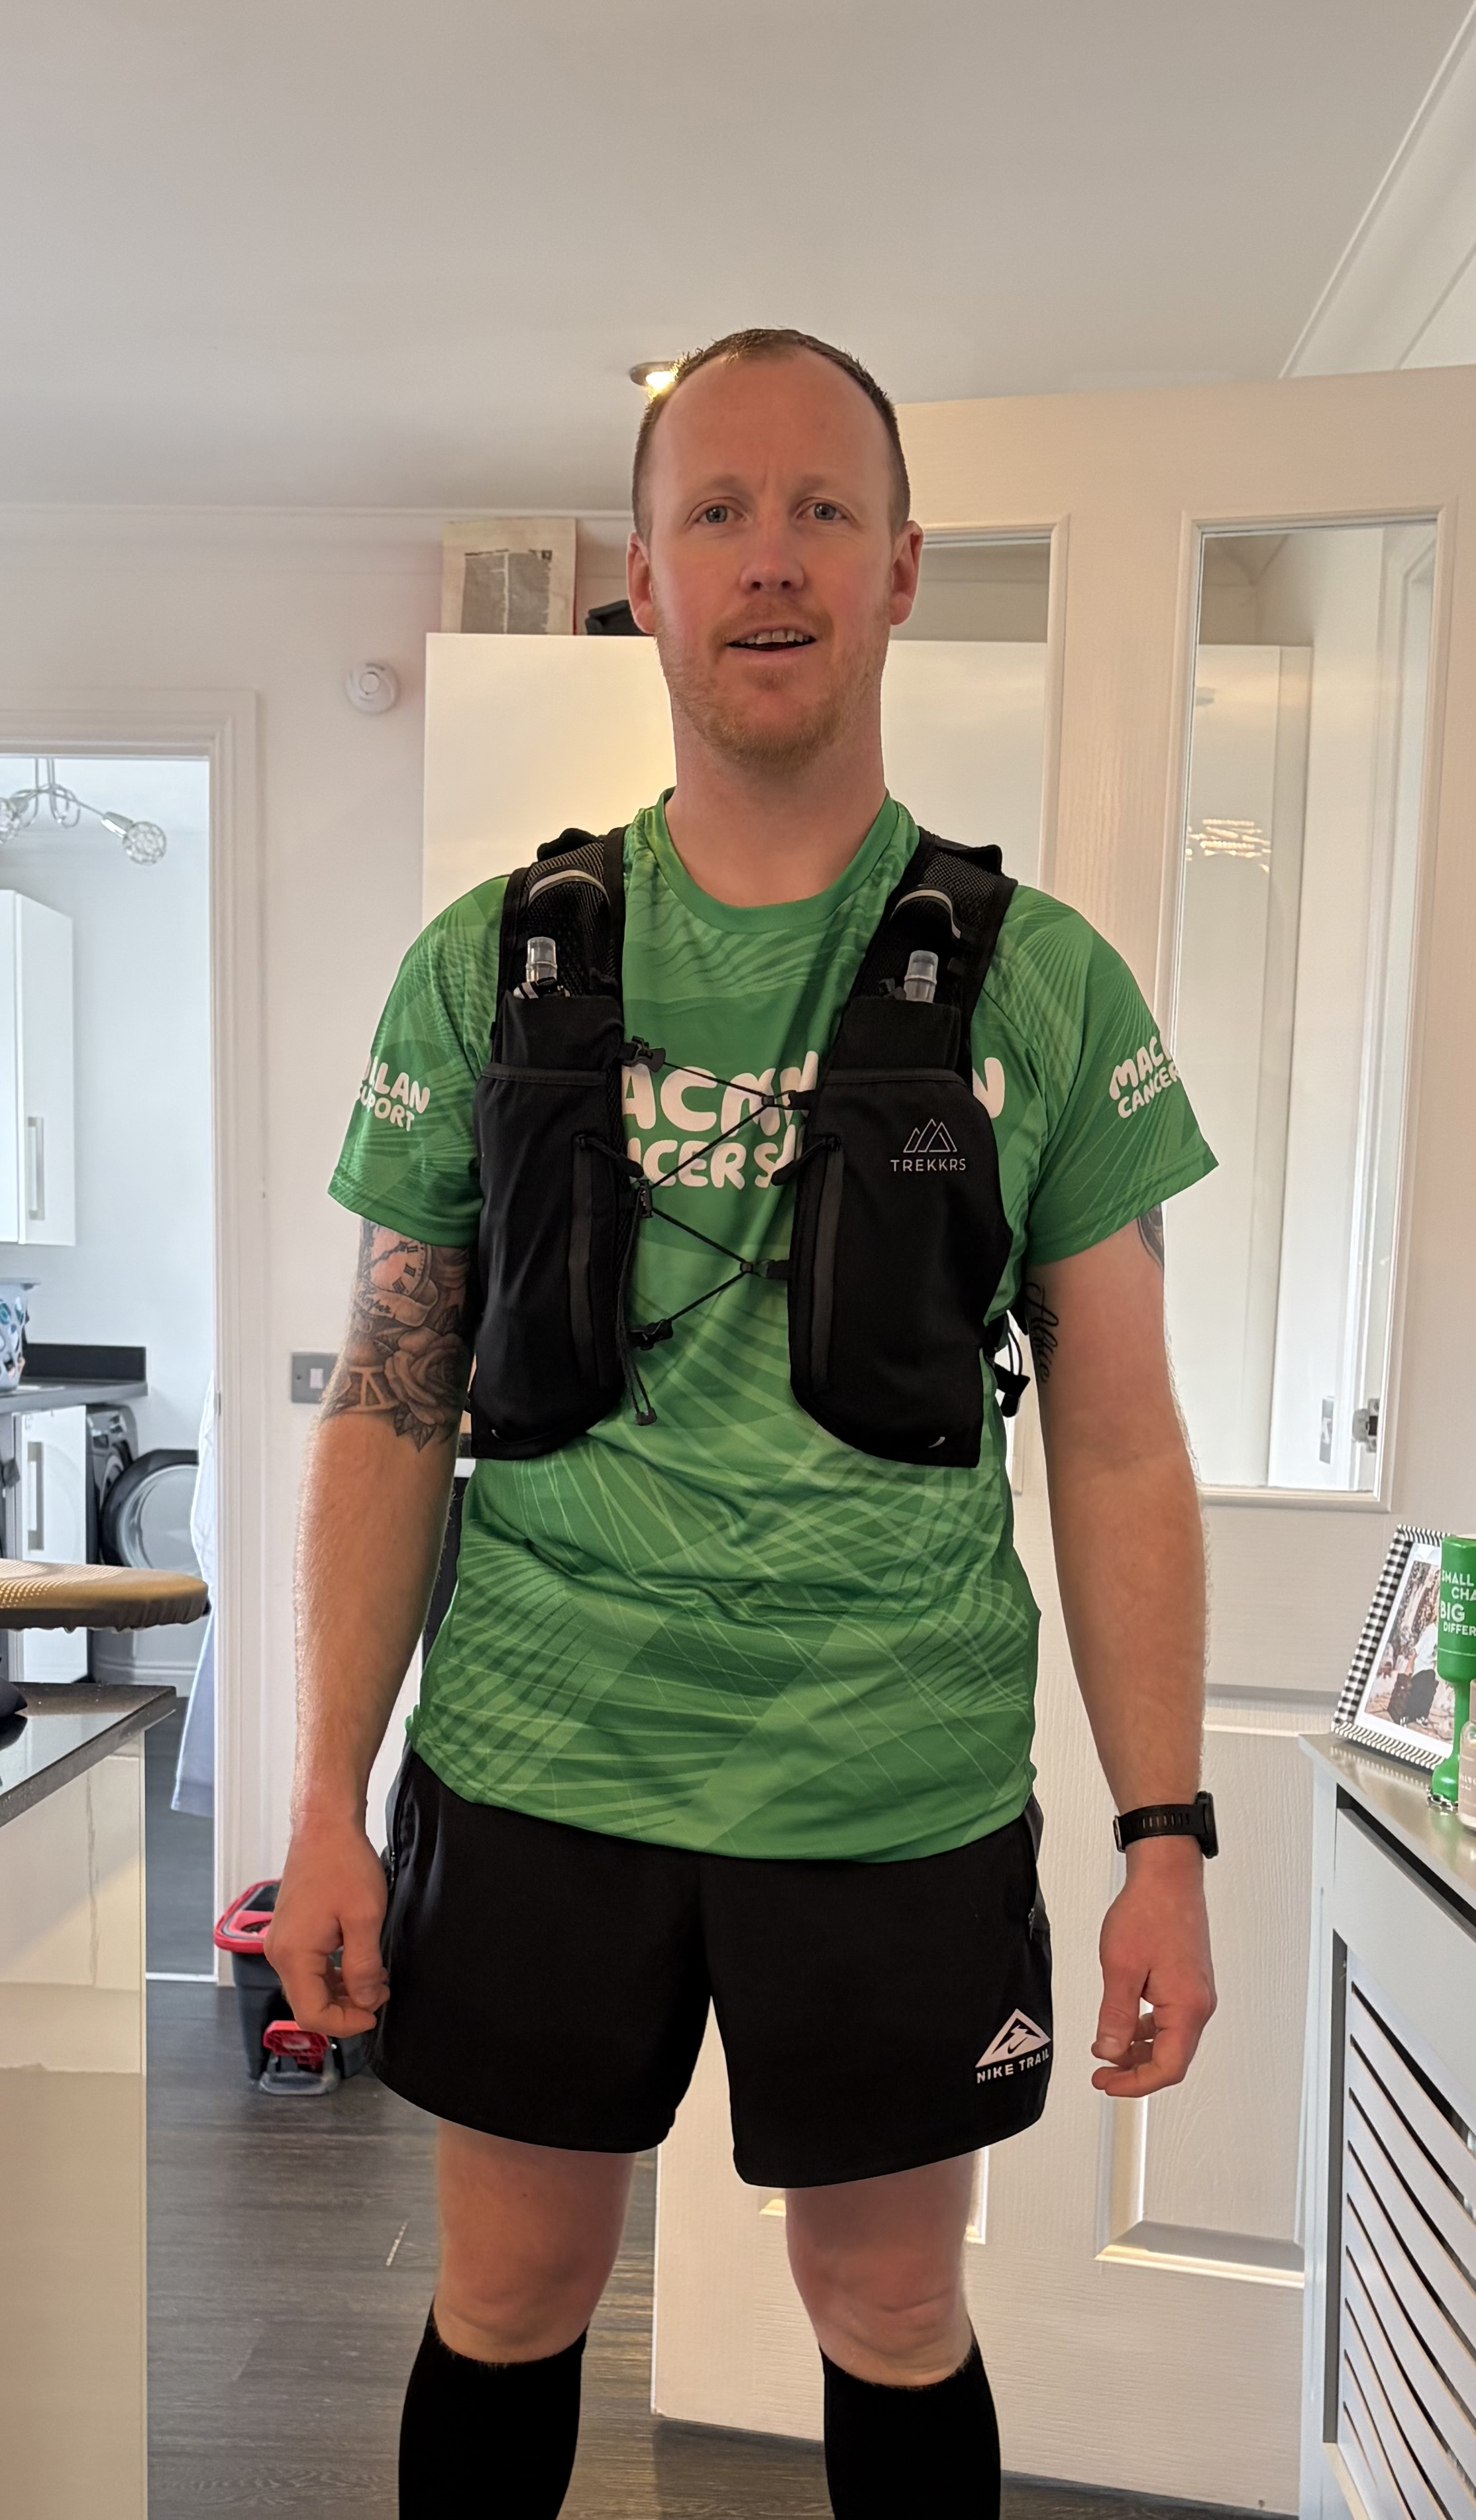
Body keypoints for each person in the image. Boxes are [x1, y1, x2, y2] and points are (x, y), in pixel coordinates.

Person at [266, 327, 1219, 2520]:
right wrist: (323, 1791)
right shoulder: (488, 967)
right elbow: (395, 1400)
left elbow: (1124, 1437)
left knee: (889, 2313)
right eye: (716, 511)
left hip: (892, 1788)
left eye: (818, 511)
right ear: (644, 577)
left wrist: (1167, 1835)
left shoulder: (1045, 984)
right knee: (507, 2302)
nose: (767, 559)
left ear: (900, 569)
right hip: (536, 1763)